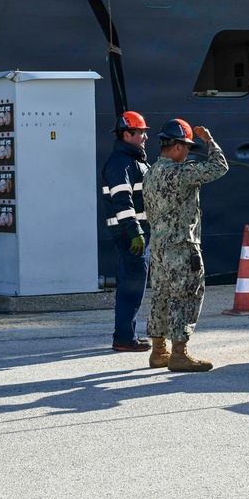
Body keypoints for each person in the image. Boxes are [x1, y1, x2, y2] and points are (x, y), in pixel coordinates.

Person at [143, 119, 228, 372]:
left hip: (158, 246)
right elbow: (219, 167)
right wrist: (210, 141)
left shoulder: (150, 173)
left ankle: (158, 351)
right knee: (186, 296)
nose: (189, 152)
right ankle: (179, 353)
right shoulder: (183, 172)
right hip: (181, 245)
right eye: (188, 147)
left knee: (161, 296)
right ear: (179, 146)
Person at [102, 110, 152, 352]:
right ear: (126, 134)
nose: (144, 137)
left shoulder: (132, 160)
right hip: (130, 236)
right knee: (131, 287)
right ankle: (124, 338)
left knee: (134, 285)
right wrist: (135, 232)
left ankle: (127, 334)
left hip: (136, 234)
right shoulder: (121, 163)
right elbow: (123, 201)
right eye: (140, 132)